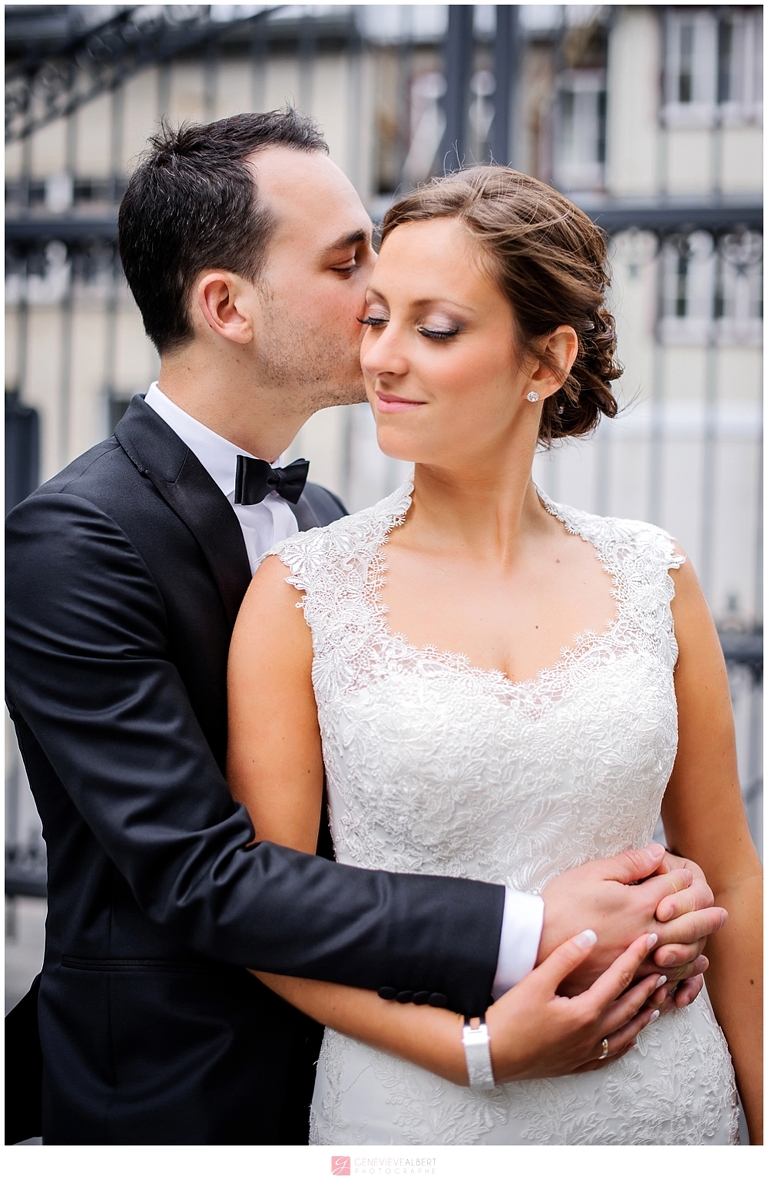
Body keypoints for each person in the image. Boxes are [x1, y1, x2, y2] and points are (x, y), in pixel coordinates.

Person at [5, 112, 721, 1146]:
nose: (379, 293)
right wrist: (533, 930)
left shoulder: (325, 519)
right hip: (181, 1100)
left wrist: (658, 889)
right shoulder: (73, 540)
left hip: (380, 1065)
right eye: (350, 264)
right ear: (226, 306)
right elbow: (205, 873)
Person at [227, 165, 763, 1145]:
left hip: (668, 1110)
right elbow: (265, 918)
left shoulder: (655, 574)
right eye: (375, 316)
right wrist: (474, 1047)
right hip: (415, 1114)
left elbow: (728, 876)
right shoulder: (302, 594)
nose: (383, 357)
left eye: (434, 328)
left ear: (545, 361)